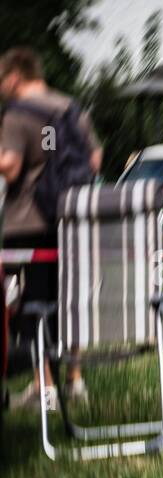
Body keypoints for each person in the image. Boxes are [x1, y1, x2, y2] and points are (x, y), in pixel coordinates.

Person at [0, 46, 102, 409]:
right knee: (67, 299)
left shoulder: (17, 114)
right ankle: (74, 378)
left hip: (29, 222)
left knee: (34, 303)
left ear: (15, 76)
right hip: (70, 220)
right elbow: (94, 158)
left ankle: (45, 387)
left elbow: (10, 166)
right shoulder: (71, 109)